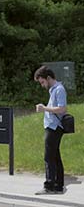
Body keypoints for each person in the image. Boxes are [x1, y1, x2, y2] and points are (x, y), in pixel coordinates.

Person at [34, 66, 67, 195]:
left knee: (49, 157)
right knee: (55, 156)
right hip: (52, 127)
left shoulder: (59, 90)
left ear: (48, 78)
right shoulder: (54, 89)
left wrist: (44, 109)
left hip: (54, 128)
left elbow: (62, 109)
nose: (42, 85)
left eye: (42, 82)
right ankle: (58, 186)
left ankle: (49, 186)